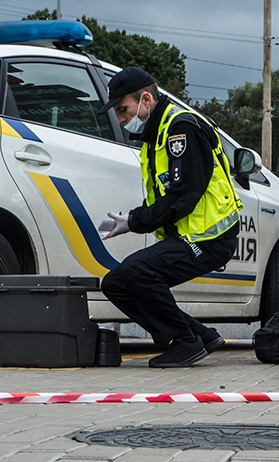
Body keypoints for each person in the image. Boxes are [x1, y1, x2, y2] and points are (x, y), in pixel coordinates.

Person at [97, 67, 242, 368]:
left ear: (146, 99)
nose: (122, 120)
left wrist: (135, 221)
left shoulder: (180, 129)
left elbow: (183, 197)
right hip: (189, 236)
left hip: (209, 238)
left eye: (123, 110)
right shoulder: (156, 135)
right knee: (115, 283)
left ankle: (184, 342)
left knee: (138, 271)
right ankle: (200, 335)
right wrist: (131, 219)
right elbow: (166, 195)